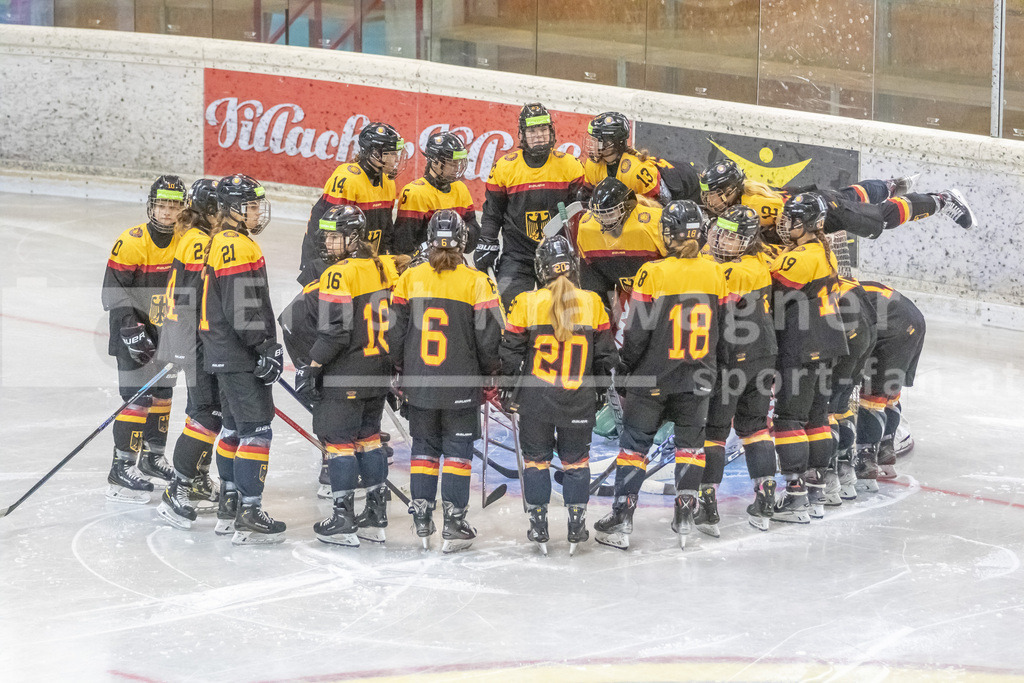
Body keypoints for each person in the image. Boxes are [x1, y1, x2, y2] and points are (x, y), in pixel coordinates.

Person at [594, 201, 727, 550]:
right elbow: (725, 329)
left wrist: (623, 368)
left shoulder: (653, 273)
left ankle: (622, 519)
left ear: (674, 235)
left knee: (634, 446)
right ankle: (685, 515)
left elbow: (635, 332)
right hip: (698, 377)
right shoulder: (715, 273)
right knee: (690, 447)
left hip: (653, 377)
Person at [389, 210, 503, 552]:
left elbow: (394, 335)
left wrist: (400, 370)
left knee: (424, 450)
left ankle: (422, 519)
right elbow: (489, 341)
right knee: (457, 454)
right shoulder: (477, 282)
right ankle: (454, 522)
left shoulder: (409, 278)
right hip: (461, 386)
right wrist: (491, 375)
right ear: (462, 241)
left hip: (419, 385)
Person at [500, 235, 618, 554]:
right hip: (578, 399)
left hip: (535, 401)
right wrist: (599, 391)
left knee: (536, 462)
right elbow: (607, 358)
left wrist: (507, 390)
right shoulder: (593, 302)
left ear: (542, 269)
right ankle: (576, 526)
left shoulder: (525, 302)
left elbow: (509, 355)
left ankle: (539, 526)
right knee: (576, 463)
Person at [291, 205, 401, 547]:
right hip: (378, 369)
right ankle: (375, 514)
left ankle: (342, 518)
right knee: (368, 438)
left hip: (347, 372)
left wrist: (313, 365)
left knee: (338, 442)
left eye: (336, 236)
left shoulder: (338, 275)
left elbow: (335, 331)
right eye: (327, 235)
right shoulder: (383, 267)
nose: (329, 242)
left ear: (354, 237)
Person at [199, 174, 285, 544]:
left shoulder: (221, 240)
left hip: (221, 353)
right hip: (238, 354)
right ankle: (250, 511)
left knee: (233, 429)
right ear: (232, 208)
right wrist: (264, 345)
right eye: (250, 205)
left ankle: (229, 506)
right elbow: (243, 306)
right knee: (256, 430)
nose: (255, 212)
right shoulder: (238, 246)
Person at [101, 175, 185, 503]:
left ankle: (152, 458)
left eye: (173, 206)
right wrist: (132, 332)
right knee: (138, 398)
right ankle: (121, 466)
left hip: (168, 332)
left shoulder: (188, 241)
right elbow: (113, 292)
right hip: (132, 332)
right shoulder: (132, 241)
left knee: (163, 395)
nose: (166, 212)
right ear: (151, 205)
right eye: (161, 205)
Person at [770, 193, 850, 523]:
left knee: (789, 419)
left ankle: (795, 497)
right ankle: (816, 491)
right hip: (828, 342)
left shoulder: (800, 257)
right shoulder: (822, 251)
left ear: (809, 225)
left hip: (801, 344)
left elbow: (771, 297)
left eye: (792, 219)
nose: (786, 223)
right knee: (817, 416)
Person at [703, 204, 780, 532]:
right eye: (719, 230)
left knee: (715, 432)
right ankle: (765, 499)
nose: (720, 238)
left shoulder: (727, 273)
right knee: (754, 427)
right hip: (764, 355)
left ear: (747, 240)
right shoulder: (758, 262)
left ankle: (706, 505)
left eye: (730, 235)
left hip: (734, 359)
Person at [156, 178, 224, 528]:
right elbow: (201, 299)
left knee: (204, 410)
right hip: (194, 340)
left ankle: (195, 478)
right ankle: (177, 488)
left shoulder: (196, 237)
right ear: (211, 211)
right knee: (207, 414)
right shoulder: (200, 243)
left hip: (191, 337)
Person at [477, 103, 585, 312]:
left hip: (558, 253)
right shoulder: (505, 168)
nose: (539, 136)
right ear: (522, 134)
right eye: (532, 131)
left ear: (551, 132)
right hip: (517, 255)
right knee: (509, 310)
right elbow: (492, 213)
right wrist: (487, 240)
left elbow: (581, 213)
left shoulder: (571, 166)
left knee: (563, 314)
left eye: (543, 130)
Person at [698, 159, 976, 238]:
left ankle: (941, 199)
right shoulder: (746, 193)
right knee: (852, 195)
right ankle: (892, 185)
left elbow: (787, 228)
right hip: (816, 199)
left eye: (713, 194)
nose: (708, 200)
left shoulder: (755, 206)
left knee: (881, 218)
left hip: (821, 211)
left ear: (730, 191)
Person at [299, 122, 407, 285]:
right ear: (373, 153)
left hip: (362, 263)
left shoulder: (388, 183)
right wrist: (329, 269)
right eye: (390, 153)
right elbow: (329, 233)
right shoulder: (347, 179)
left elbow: (385, 232)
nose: (395, 159)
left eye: (396, 153)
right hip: (326, 259)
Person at [853, 281, 926, 489]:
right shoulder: (850, 286)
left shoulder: (830, 296)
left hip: (894, 325)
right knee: (889, 395)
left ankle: (866, 460)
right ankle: (886, 450)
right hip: (914, 319)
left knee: (872, 398)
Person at [575, 178, 665, 309]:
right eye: (599, 214)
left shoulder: (654, 223)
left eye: (610, 213)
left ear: (627, 206)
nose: (603, 220)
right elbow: (594, 284)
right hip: (630, 298)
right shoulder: (588, 228)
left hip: (661, 294)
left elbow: (678, 268)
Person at [827, 275, 879, 501]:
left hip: (846, 334)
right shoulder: (839, 273)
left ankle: (828, 480)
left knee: (825, 411)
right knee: (841, 405)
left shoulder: (799, 264)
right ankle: (846, 474)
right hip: (866, 333)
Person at [579, 111, 700, 206]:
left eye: (597, 140)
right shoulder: (591, 165)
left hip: (687, 188)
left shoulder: (637, 172)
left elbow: (661, 208)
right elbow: (589, 200)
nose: (592, 144)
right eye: (592, 139)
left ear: (612, 143)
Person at [394, 131, 480, 256]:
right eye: (452, 163)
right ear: (434, 162)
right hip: (425, 267)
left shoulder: (461, 188)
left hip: (454, 263)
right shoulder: (415, 193)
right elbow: (404, 245)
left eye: (458, 163)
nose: (456, 168)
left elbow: (474, 231)